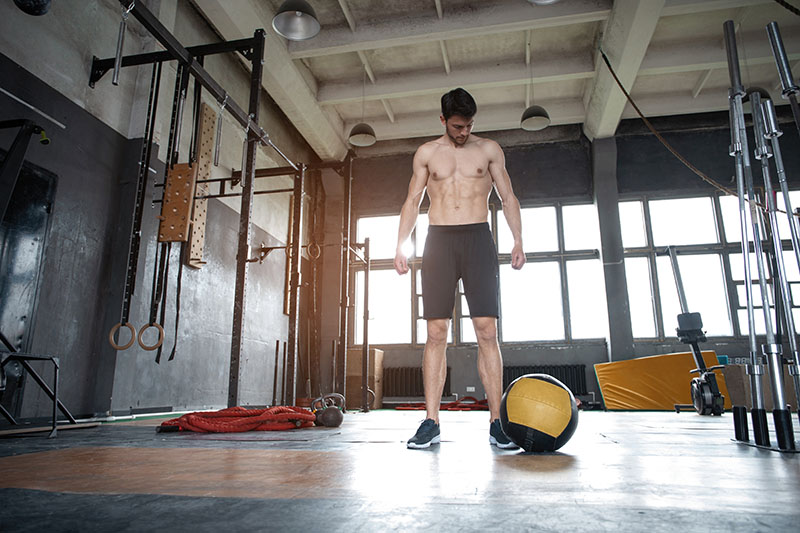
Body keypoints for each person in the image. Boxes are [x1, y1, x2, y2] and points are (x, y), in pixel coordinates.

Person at [394, 88, 526, 449]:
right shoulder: (426, 154)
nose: (463, 132)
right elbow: (412, 200)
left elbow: (508, 196)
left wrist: (518, 240)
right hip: (438, 240)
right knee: (436, 332)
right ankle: (431, 421)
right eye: (456, 126)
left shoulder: (489, 150)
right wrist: (401, 245)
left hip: (477, 239)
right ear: (442, 120)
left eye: (468, 126)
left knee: (487, 330)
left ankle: (497, 423)